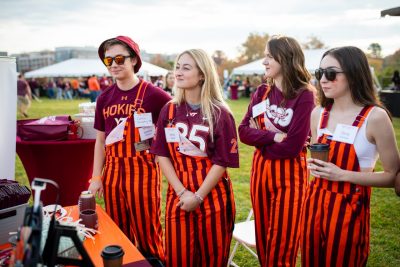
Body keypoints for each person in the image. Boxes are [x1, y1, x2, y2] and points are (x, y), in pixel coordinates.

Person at [301, 46, 400, 266]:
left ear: (354, 74)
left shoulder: (375, 117)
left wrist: (342, 174)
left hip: (349, 210)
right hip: (314, 204)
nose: (323, 80)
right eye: (320, 73)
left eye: (331, 73)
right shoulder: (318, 114)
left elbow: (393, 176)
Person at [150, 49, 239, 266]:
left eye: (186, 67)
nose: (178, 72)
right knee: (178, 258)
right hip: (178, 195)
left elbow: (222, 162)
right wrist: (182, 192)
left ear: (202, 75)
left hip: (213, 196)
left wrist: (198, 197)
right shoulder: (168, 110)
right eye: (178, 67)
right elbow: (161, 154)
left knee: (212, 259)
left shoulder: (220, 113)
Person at [87, 36, 171, 264]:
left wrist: (161, 151)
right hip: (113, 174)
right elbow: (100, 140)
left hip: (143, 172)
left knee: (148, 232)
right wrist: (96, 177)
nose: (113, 64)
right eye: (108, 60)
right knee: (117, 230)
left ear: (134, 60)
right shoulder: (104, 97)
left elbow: (174, 124)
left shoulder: (155, 95)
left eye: (120, 58)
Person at [238, 35, 315, 266]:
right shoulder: (261, 91)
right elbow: (242, 132)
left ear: (286, 58)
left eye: (269, 56)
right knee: (262, 239)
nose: (264, 62)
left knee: (283, 243)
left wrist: (261, 140)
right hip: (260, 173)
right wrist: (274, 136)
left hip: (290, 176)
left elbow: (292, 147)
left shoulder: (305, 95)